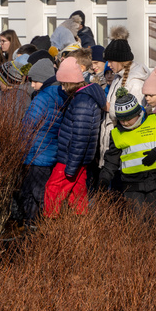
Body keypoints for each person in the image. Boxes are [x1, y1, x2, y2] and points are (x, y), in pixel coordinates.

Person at [44, 58, 106, 217]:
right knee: (77, 196)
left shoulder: (82, 101)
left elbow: (81, 136)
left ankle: (52, 228)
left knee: (53, 190)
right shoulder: (84, 97)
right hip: (76, 158)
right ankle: (80, 228)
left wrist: (71, 165)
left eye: (64, 84)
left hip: (71, 158)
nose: (63, 88)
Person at [99, 89, 156, 214]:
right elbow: (111, 160)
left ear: (138, 113)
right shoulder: (116, 133)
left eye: (129, 118)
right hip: (131, 183)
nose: (126, 123)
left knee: (153, 218)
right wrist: (104, 179)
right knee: (136, 220)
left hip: (154, 180)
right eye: (122, 120)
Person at [19, 59, 62, 228]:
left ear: (43, 80)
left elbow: (29, 124)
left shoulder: (42, 98)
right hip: (50, 152)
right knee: (42, 192)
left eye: (34, 81)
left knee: (33, 193)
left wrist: (20, 146)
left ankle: (33, 226)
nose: (32, 86)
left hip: (37, 153)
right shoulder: (59, 94)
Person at [100, 26, 149, 167]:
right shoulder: (118, 77)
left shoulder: (135, 82)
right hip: (113, 138)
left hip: (124, 142)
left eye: (111, 61)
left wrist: (108, 107)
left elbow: (133, 115)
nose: (108, 65)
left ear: (121, 60)